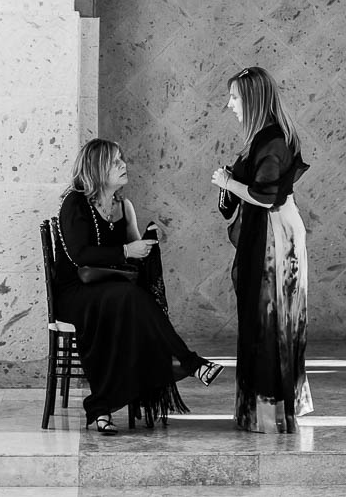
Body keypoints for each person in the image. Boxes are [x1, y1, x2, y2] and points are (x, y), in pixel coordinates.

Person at [54, 138, 221, 435]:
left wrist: (146, 244)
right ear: (99, 167)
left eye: (122, 159)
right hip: (76, 293)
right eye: (116, 161)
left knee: (132, 297)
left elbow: (133, 261)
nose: (124, 165)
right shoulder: (74, 202)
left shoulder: (122, 206)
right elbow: (81, 255)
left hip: (111, 289)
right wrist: (127, 251)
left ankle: (101, 407)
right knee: (131, 296)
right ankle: (189, 362)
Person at [212, 65, 312, 433]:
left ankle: (268, 416)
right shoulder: (263, 138)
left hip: (275, 240)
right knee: (262, 320)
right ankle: (261, 412)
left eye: (235, 97)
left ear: (252, 100)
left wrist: (227, 182)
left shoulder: (272, 141)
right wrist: (230, 183)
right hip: (271, 234)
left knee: (269, 320)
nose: (230, 104)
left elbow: (264, 197)